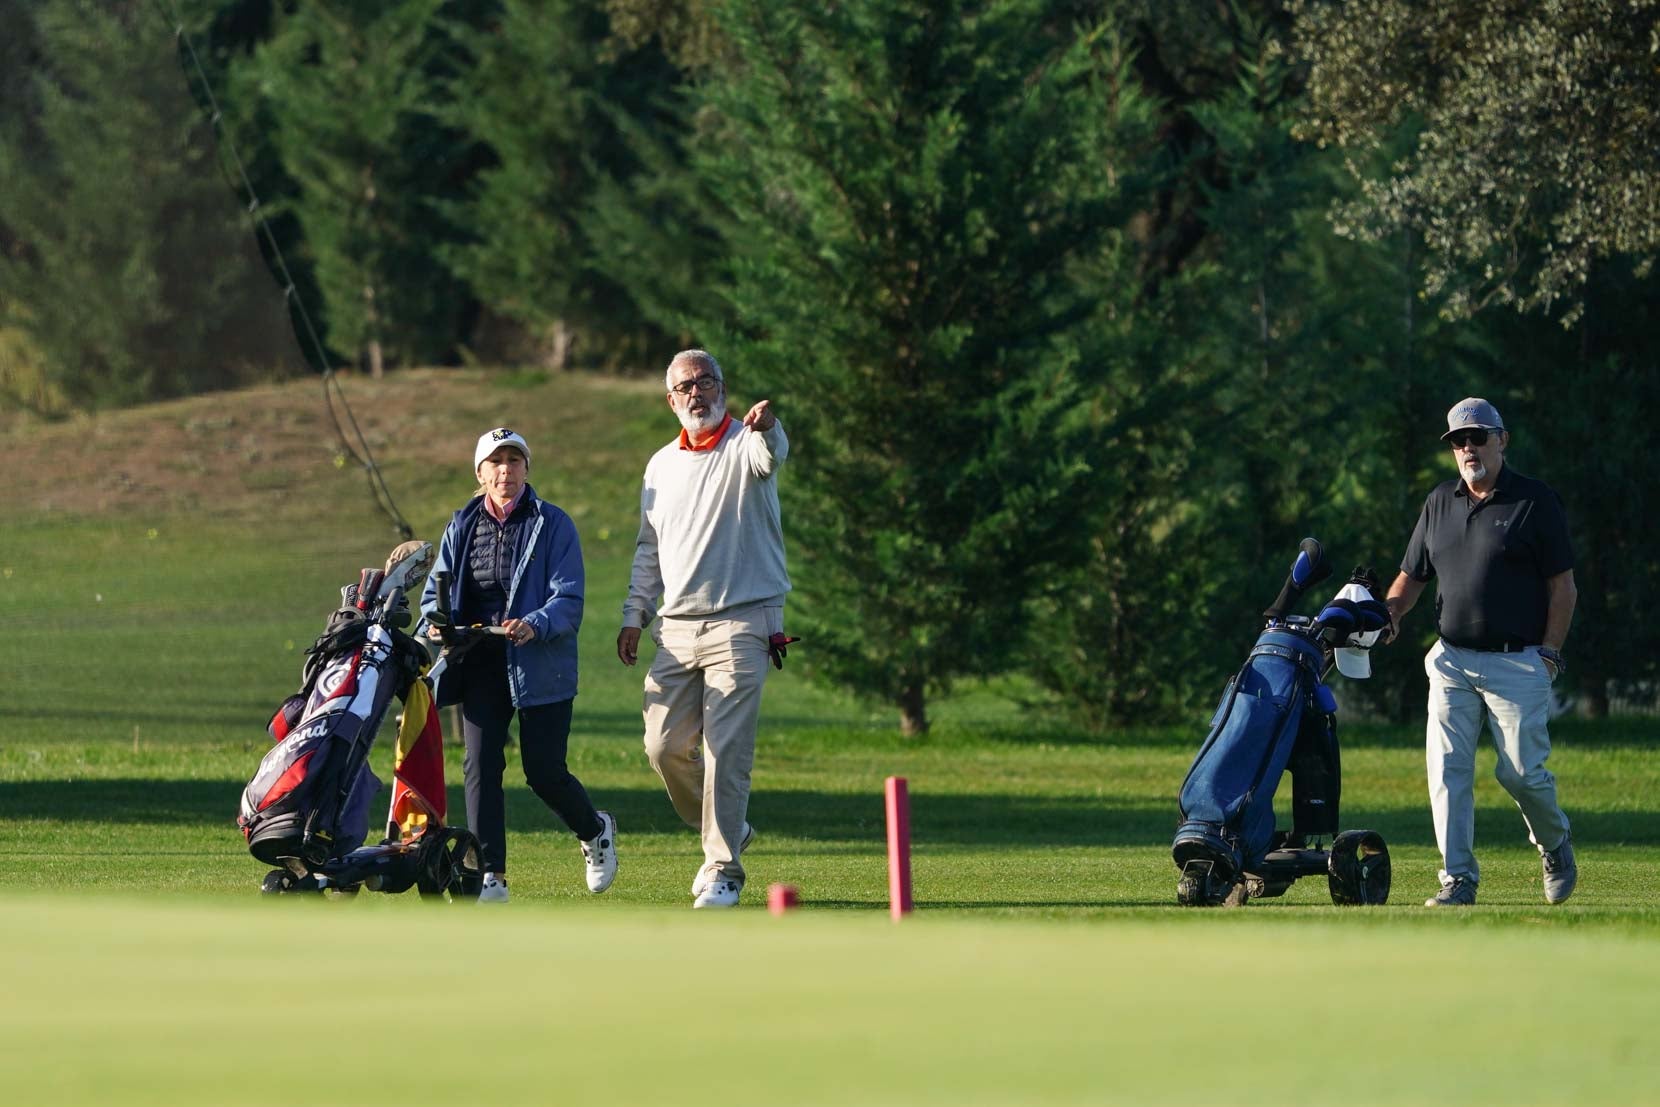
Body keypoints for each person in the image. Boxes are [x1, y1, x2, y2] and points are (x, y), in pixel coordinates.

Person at [1384, 397, 1578, 907]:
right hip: (1451, 661)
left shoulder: (1535, 502)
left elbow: (1564, 587)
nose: (1468, 448)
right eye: (1458, 441)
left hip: (1519, 662)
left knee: (1520, 773)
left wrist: (1551, 653)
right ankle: (1458, 880)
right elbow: (1412, 576)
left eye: (1478, 437)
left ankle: (1554, 843)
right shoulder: (1439, 503)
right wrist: (1390, 614)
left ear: (1502, 440)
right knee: (1447, 770)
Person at [617, 349, 791, 909]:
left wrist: (769, 427)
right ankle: (730, 828)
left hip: (745, 618)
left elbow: (771, 455)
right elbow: (650, 548)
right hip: (676, 626)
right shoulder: (660, 465)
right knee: (662, 746)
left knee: (725, 749)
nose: (698, 393)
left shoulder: (747, 442)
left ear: (723, 388)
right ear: (671, 400)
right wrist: (633, 612)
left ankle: (723, 869)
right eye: (686, 386)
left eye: (707, 382)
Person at [420, 427, 616, 903]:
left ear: (527, 469)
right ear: (480, 473)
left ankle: (595, 830)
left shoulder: (554, 524)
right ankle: (491, 875)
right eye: (496, 462)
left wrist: (534, 624)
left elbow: (569, 599)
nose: (505, 470)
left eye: (514, 461)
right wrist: (436, 624)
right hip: (482, 661)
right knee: (480, 763)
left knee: (544, 771)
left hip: (539, 662)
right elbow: (434, 596)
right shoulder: (462, 525)